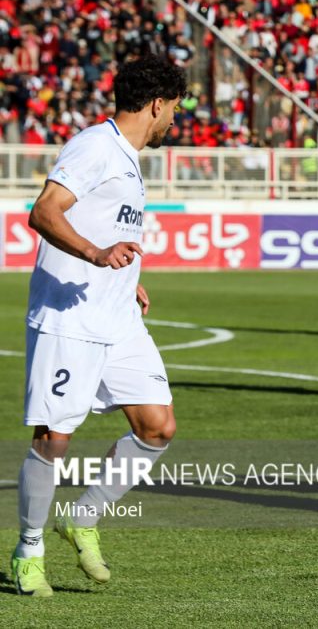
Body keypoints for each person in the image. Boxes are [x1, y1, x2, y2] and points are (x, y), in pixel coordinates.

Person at [12, 55, 185, 597]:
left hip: (117, 316)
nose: (174, 122)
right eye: (174, 110)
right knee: (53, 439)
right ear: (156, 104)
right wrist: (94, 253)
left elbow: (106, 223)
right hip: (70, 317)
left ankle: (82, 517)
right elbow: (44, 211)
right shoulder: (95, 147)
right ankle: (28, 551)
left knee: (158, 427)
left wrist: (126, 275)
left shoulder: (128, 157)